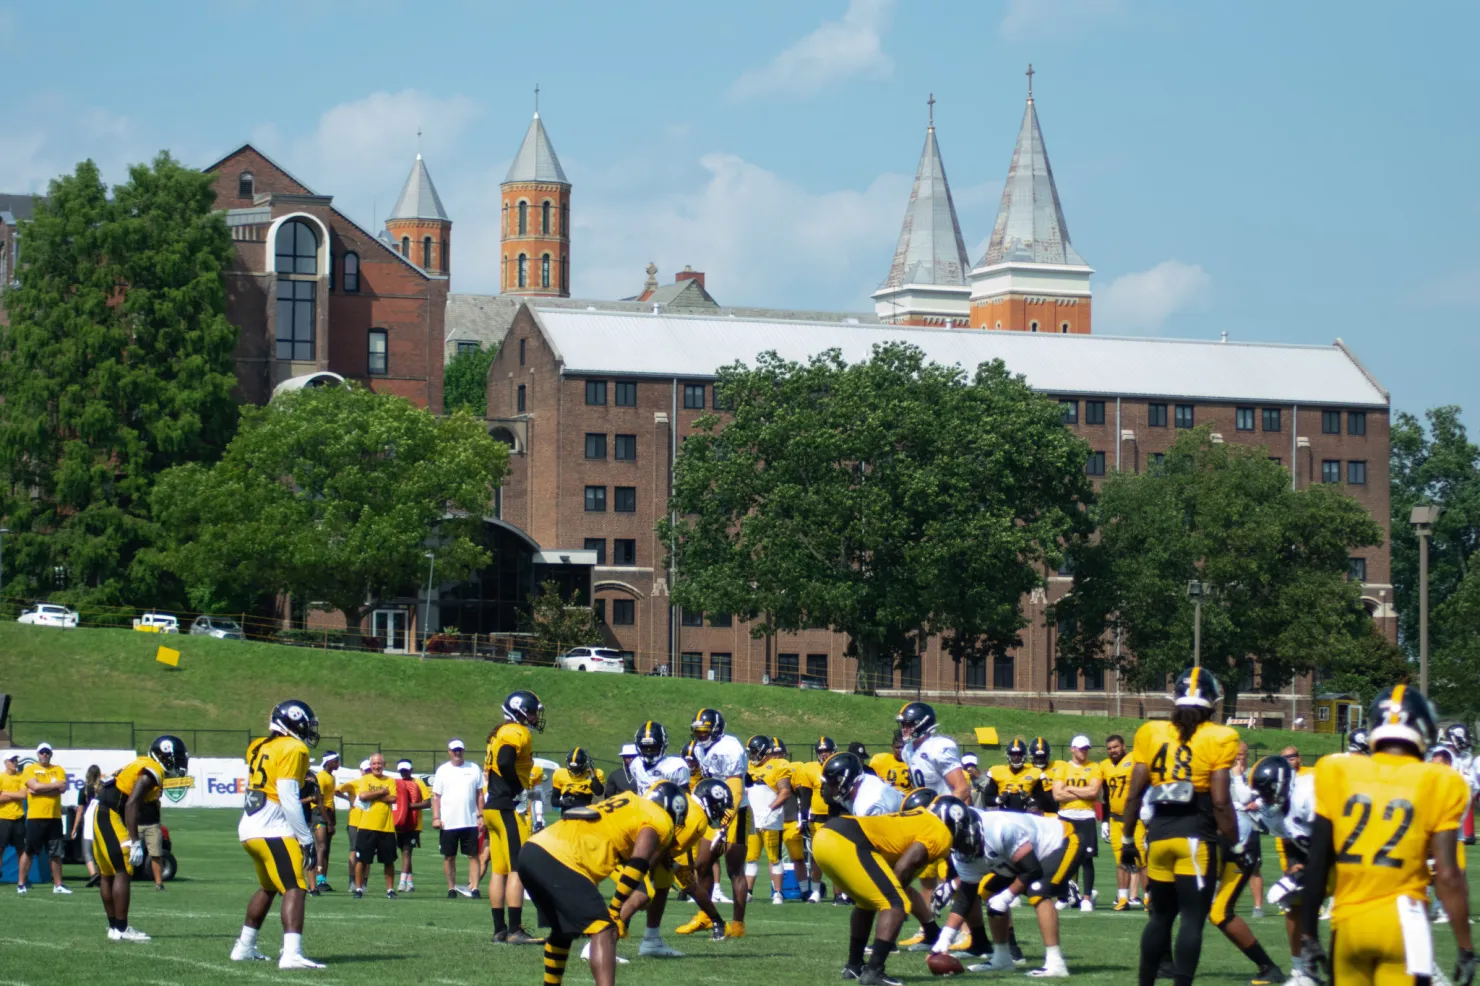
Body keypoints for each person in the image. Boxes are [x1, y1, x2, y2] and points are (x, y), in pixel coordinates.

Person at [1300, 685, 1475, 986]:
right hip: (1406, 924)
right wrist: (1466, 948)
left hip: (1348, 925)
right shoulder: (1439, 780)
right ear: (1423, 728)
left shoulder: (1337, 771)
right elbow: (1447, 875)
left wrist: (1307, 933)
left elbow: (1316, 862)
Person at [1120, 668, 1244, 986]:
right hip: (1195, 838)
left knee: (1160, 917)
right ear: (1212, 703)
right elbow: (1219, 800)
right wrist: (1236, 843)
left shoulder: (1151, 733)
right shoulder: (1219, 737)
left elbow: (1134, 794)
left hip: (1158, 836)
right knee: (1191, 919)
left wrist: (1126, 838)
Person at [516, 782, 687, 986]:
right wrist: (615, 909)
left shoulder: (629, 801)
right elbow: (639, 863)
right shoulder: (659, 818)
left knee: (563, 930)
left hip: (532, 850)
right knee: (605, 930)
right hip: (562, 858)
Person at [812, 798, 958, 984]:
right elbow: (905, 866)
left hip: (826, 836)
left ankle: (854, 966)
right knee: (895, 903)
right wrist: (895, 906)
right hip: (847, 840)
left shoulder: (920, 818)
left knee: (866, 903)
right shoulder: (940, 831)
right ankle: (874, 972)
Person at [931, 797, 1079, 977]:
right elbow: (966, 897)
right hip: (1021, 857)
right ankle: (1002, 958)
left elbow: (1031, 870)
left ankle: (1056, 963)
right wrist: (945, 938)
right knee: (988, 890)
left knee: (1037, 891)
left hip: (1059, 841)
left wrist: (1007, 896)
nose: (957, 845)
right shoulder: (961, 853)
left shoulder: (999, 828)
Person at [230, 700, 324, 969]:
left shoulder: (259, 745)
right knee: (295, 887)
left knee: (269, 887)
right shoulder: (294, 747)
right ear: (293, 722)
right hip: (273, 828)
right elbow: (288, 797)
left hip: (249, 827)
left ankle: (244, 947)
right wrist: (305, 838)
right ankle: (292, 954)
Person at [615, 778, 734, 956]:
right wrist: (646, 873)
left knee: (664, 885)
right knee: (642, 894)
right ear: (707, 801)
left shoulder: (688, 805)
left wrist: (671, 864)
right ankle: (600, 943)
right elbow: (661, 844)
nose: (720, 813)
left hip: (645, 846)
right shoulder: (697, 819)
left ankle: (652, 940)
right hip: (636, 850)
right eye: (718, 807)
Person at [93, 735, 189, 941]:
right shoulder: (151, 771)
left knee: (108, 872)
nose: (180, 762)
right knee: (122, 870)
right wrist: (135, 842)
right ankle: (122, 928)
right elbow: (131, 804)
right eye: (177, 757)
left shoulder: (144, 764)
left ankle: (114, 928)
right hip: (108, 812)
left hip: (101, 810)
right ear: (165, 755)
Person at [1248, 754, 1319, 986]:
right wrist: (1292, 868)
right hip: (1313, 851)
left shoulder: (1308, 793)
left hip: (1344, 851)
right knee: (1292, 902)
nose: (1264, 799)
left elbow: (1333, 834)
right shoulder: (1273, 813)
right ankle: (1302, 971)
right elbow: (1290, 840)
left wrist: (1307, 870)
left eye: (1267, 792)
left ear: (1280, 785)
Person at [484, 689, 546, 944]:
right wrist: (518, 790)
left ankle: (500, 930)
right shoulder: (515, 731)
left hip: (492, 807)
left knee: (499, 870)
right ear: (519, 710)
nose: (533, 717)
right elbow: (505, 761)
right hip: (506, 807)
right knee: (517, 870)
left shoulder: (501, 731)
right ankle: (514, 930)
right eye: (530, 712)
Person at [686, 707, 750, 936]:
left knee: (735, 869)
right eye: (698, 732)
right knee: (702, 864)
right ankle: (706, 915)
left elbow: (735, 789)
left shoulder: (729, 748)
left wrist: (725, 822)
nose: (701, 736)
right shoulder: (703, 749)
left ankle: (737, 924)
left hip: (736, 811)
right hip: (713, 811)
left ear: (717, 730)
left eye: (705, 731)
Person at [1050, 735, 1102, 911]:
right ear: (1072, 749)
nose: (1084, 752)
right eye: (1080, 748)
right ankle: (1063, 896)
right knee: (1063, 857)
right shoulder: (1063, 768)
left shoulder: (1094, 767)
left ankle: (1086, 898)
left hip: (1086, 816)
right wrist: (1082, 791)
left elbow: (1093, 792)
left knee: (1087, 859)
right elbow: (1057, 795)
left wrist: (1070, 788)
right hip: (1066, 816)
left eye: (1086, 748)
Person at [745, 735, 796, 905]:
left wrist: (769, 809)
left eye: (753, 751)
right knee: (751, 857)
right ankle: (748, 892)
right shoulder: (749, 766)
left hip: (771, 818)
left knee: (774, 857)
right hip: (752, 818)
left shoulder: (778, 766)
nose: (751, 755)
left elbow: (785, 791)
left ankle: (778, 893)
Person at [433, 738, 485, 899]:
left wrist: (481, 815)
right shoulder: (443, 770)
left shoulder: (473, 768)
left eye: (459, 750)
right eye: (454, 750)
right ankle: (451, 888)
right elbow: (436, 796)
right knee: (449, 856)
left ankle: (474, 887)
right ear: (449, 752)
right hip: (448, 822)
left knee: (473, 855)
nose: (457, 752)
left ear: (463, 751)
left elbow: (480, 794)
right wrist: (436, 817)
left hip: (469, 820)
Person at [789, 735, 838, 904]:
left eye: (827, 751)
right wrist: (802, 819)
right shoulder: (810, 768)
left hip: (837, 817)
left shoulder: (840, 766)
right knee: (817, 857)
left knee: (837, 856)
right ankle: (816, 891)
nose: (824, 754)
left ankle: (840, 894)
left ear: (834, 751)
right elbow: (805, 797)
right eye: (821, 751)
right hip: (817, 818)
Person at [19, 742, 70, 894]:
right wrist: (51, 787)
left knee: (55, 853)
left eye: (47, 752)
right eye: (42, 752)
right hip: (36, 817)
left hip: (54, 817)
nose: (45, 754)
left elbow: (61, 788)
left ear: (51, 754)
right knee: (29, 851)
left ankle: (58, 885)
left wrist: (41, 788)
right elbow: (34, 787)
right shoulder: (30, 769)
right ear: (38, 754)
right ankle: (21, 883)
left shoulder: (58, 769)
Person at [1099, 733, 1142, 910]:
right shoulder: (1104, 766)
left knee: (1142, 859)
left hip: (1136, 817)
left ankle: (1148, 898)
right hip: (1115, 818)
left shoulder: (1135, 759)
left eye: (1115, 747)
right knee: (1120, 860)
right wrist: (1104, 821)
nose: (1112, 751)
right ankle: (1123, 898)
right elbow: (1106, 797)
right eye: (1109, 748)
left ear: (1124, 746)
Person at [350, 753, 399, 898]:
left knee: (388, 861)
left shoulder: (390, 780)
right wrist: (382, 792)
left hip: (386, 827)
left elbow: (393, 798)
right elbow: (363, 796)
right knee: (362, 860)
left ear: (384, 765)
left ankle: (390, 890)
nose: (376, 766)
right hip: (366, 826)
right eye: (374, 764)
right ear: (370, 766)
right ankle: (359, 889)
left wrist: (375, 795)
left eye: (379, 763)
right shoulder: (365, 779)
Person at [393, 759, 431, 893]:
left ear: (411, 770)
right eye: (402, 771)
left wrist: (409, 806)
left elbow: (427, 803)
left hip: (414, 824)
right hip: (401, 822)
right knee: (403, 852)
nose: (404, 773)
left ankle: (402, 881)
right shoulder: (397, 784)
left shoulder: (418, 783)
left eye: (406, 770)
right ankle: (409, 882)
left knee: (407, 851)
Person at [985, 737, 1043, 811]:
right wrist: (999, 800)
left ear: (1024, 756)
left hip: (1026, 815)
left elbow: (1042, 800)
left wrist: (1031, 800)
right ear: (1008, 756)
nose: (1016, 757)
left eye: (1019, 755)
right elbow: (987, 799)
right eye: (1013, 755)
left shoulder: (1035, 773)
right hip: (1005, 816)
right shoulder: (997, 772)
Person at [309, 751, 340, 894]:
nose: (338, 763)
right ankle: (318, 879)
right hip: (319, 813)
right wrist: (328, 821)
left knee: (326, 848)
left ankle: (323, 879)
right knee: (321, 846)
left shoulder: (331, 777)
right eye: (336, 761)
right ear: (328, 762)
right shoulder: (321, 777)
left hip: (328, 814)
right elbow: (319, 801)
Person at [630, 721, 690, 789]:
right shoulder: (635, 765)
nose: (649, 752)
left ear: (663, 746)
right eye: (645, 748)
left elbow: (685, 796)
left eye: (653, 748)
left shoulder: (677, 766)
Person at [73, 764, 103, 888]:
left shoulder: (84, 789)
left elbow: (80, 811)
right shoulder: (103, 788)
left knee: (87, 851)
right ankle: (101, 874)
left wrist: (74, 828)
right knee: (101, 849)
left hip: (89, 820)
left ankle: (93, 874)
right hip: (102, 819)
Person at [0, 753, 27, 885]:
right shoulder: (1, 777)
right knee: (0, 848)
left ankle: (22, 880)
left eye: (16, 760)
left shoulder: (21, 776)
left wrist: (5, 793)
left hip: (18, 817)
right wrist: (14, 795)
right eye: (12, 760)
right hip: (3, 817)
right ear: (6, 762)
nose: (15, 762)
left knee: (21, 849)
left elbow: (23, 795)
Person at [136, 792, 167, 891]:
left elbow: (158, 795)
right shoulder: (132, 782)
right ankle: (123, 881)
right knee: (126, 853)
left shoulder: (154, 784)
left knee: (156, 854)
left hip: (152, 824)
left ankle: (159, 883)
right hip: (135, 823)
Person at [869, 730, 913, 795]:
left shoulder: (913, 762)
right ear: (892, 747)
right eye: (898, 747)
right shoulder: (881, 760)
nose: (901, 750)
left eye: (903, 747)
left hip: (907, 800)